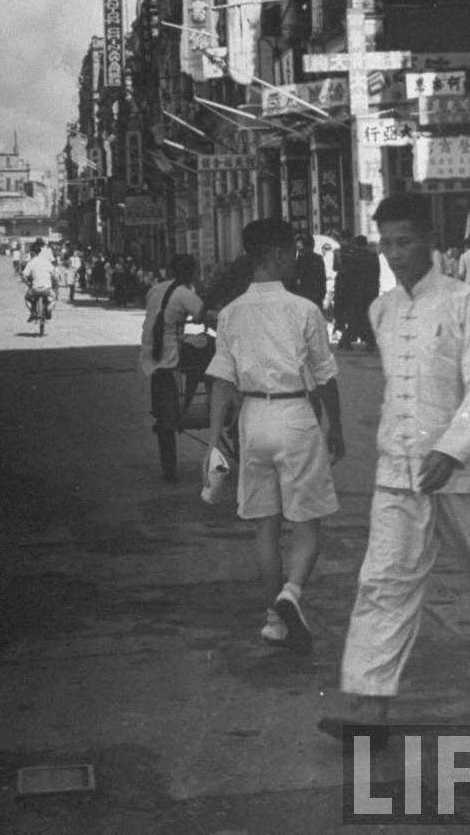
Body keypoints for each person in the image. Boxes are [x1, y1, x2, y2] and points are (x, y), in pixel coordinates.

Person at [318, 194, 470, 744]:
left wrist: (451, 448)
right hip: (397, 472)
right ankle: (369, 712)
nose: (395, 254)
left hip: (461, 471)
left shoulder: (467, 302)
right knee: (383, 583)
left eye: (405, 241)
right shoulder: (382, 310)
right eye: (386, 244)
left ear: (429, 239)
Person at [205, 218, 344, 651]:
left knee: (265, 524)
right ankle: (292, 593)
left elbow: (221, 384)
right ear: (282, 254)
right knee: (306, 523)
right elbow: (325, 377)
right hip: (294, 415)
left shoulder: (230, 313)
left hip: (252, 419)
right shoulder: (303, 309)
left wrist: (212, 443)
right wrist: (335, 426)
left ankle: (273, 621)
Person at [139, 255, 206, 482]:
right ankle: (193, 398)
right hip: (171, 353)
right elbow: (202, 314)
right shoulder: (186, 294)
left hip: (151, 354)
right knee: (209, 350)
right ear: (192, 273)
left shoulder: (155, 289)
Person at [336, 235, 380, 351]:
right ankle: (370, 342)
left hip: (355, 292)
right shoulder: (373, 256)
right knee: (368, 318)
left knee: (355, 318)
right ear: (365, 244)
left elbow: (348, 276)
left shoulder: (352, 257)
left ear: (356, 244)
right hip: (370, 292)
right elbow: (376, 275)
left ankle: (346, 341)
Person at [22, 239, 56, 322]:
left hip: (35, 288)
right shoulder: (47, 261)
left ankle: (32, 312)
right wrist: (55, 283)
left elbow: (24, 275)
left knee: (27, 298)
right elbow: (54, 275)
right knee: (54, 298)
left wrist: (28, 284)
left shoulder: (31, 262)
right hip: (46, 288)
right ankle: (48, 310)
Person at [292, 232, 327, 310]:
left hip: (307, 296)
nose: (299, 251)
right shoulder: (317, 258)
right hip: (313, 296)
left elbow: (295, 277)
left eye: (300, 249)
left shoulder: (302, 260)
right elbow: (323, 279)